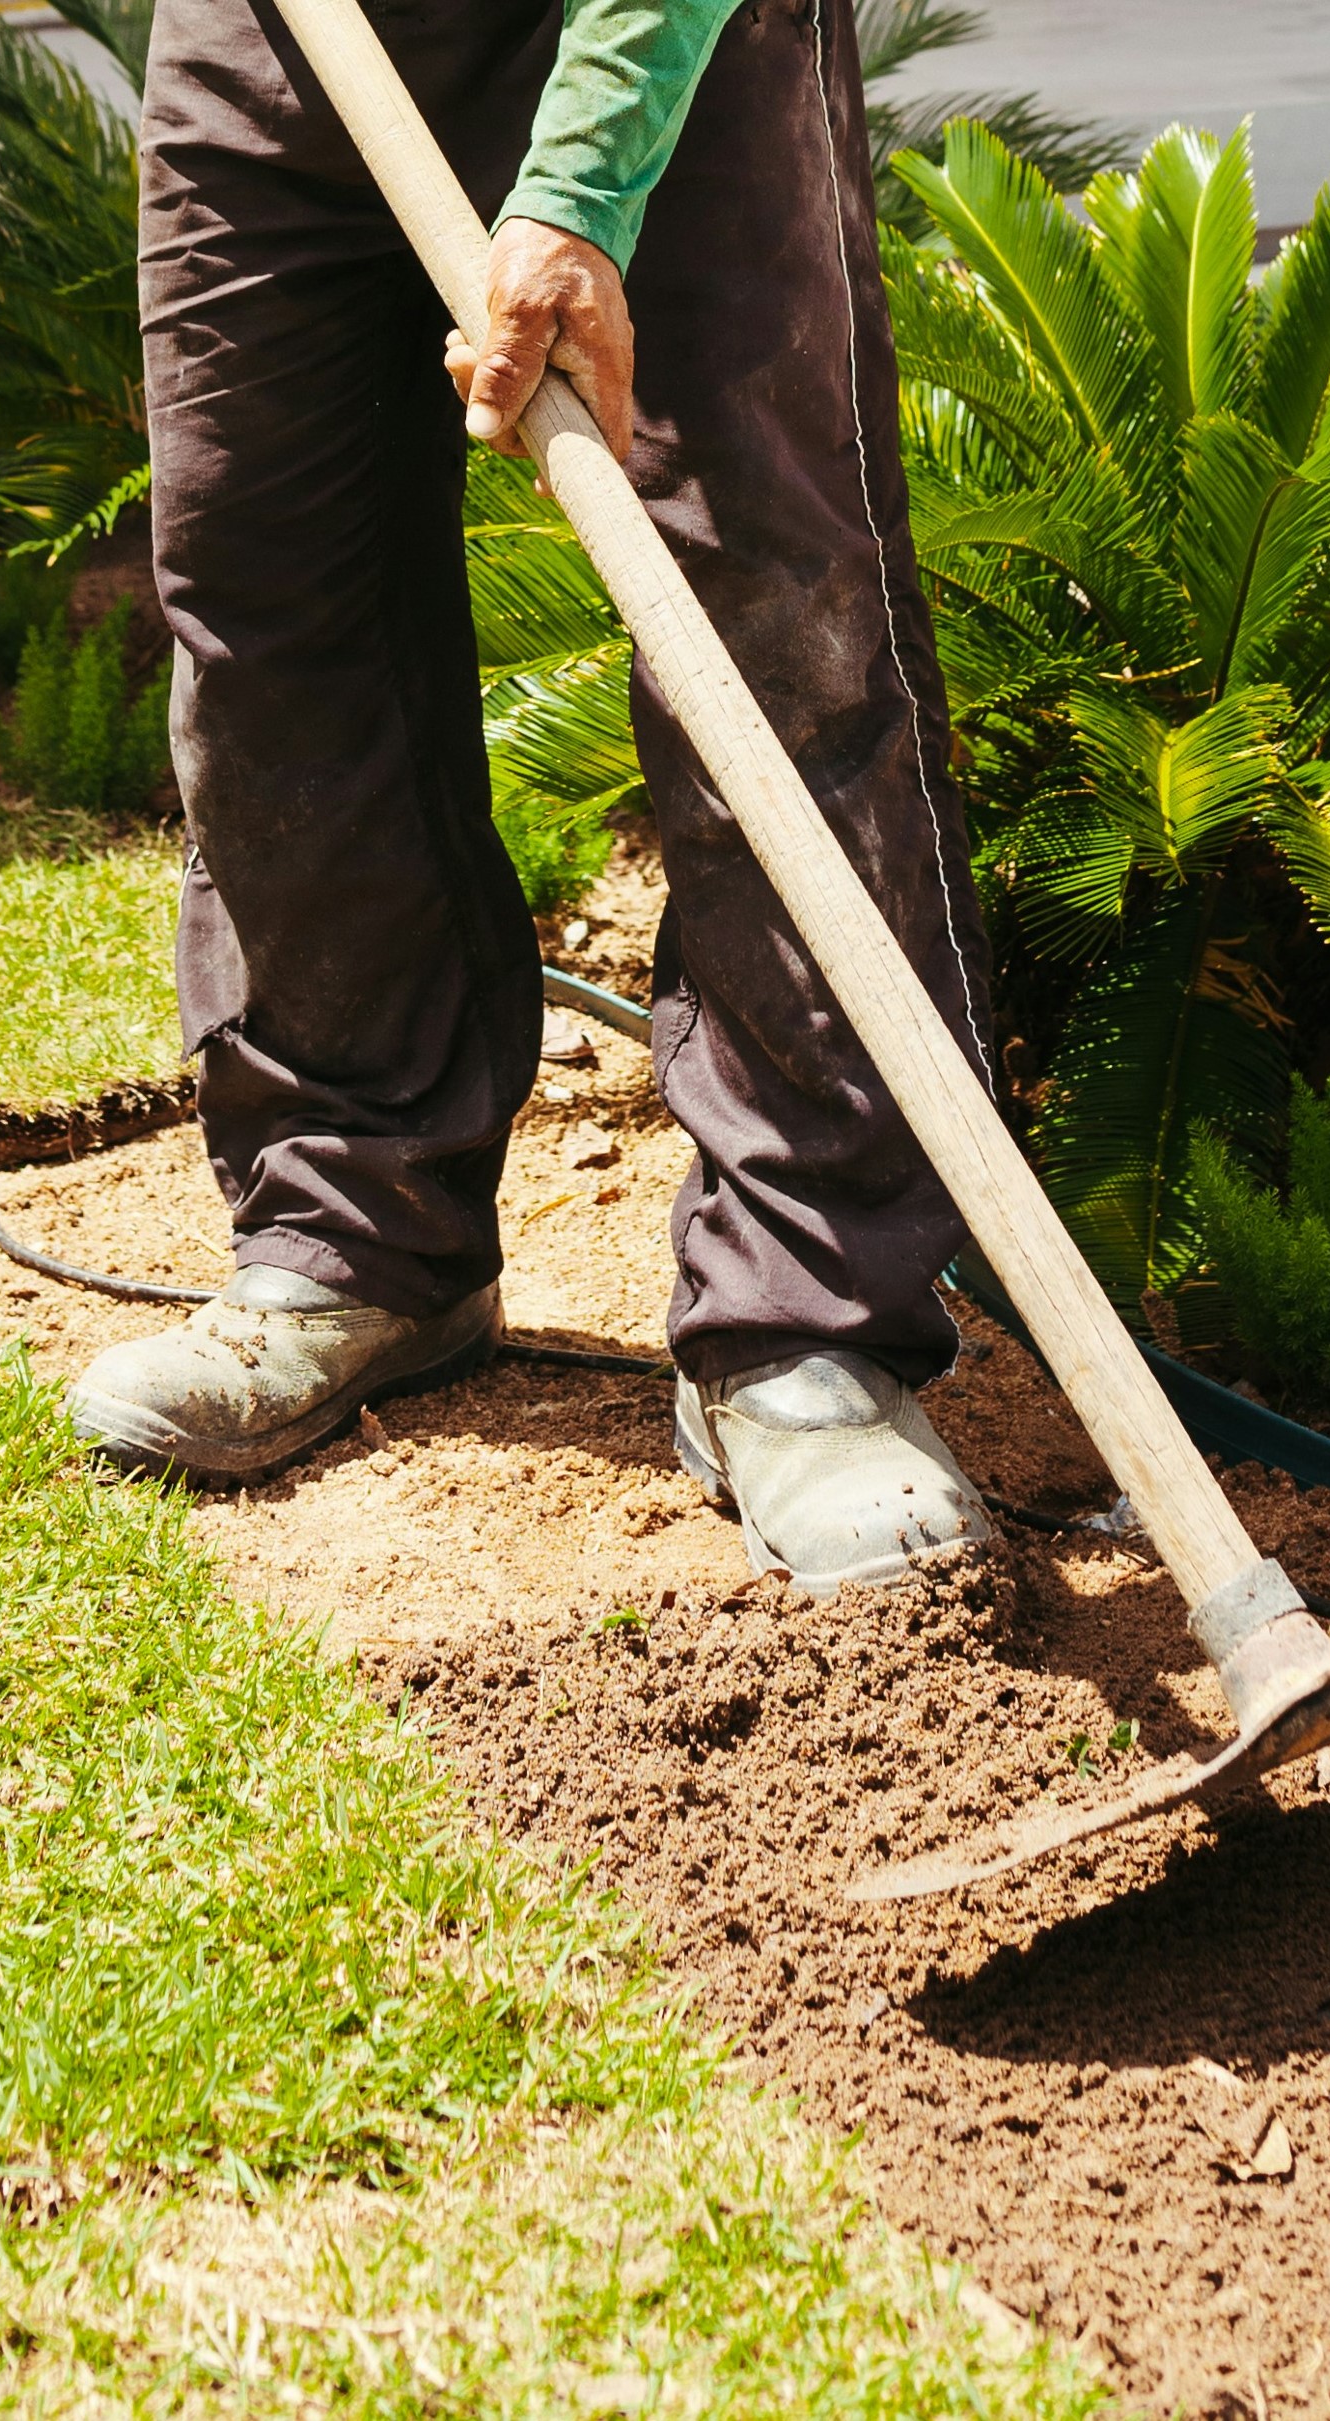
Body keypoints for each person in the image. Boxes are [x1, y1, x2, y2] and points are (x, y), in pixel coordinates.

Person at [66, 0, 995, 1596]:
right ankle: (355, 1223)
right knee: (274, 598)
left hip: (656, 33)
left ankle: (808, 1316)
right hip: (278, 36)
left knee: (773, 618)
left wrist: (581, 184)